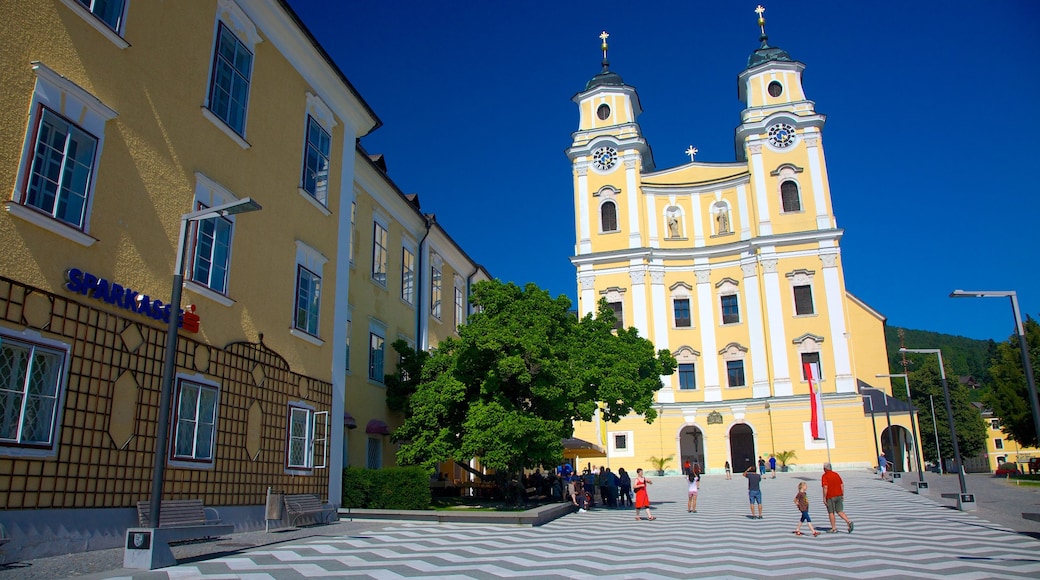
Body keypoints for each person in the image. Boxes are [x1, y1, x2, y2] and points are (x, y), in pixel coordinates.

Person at [821, 462, 854, 533]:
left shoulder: (825, 476)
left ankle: (834, 528)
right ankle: (848, 521)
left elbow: (825, 487)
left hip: (830, 496)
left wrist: (824, 497)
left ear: (824, 469)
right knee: (839, 511)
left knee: (831, 512)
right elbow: (842, 485)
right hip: (839, 495)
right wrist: (842, 495)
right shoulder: (836, 474)